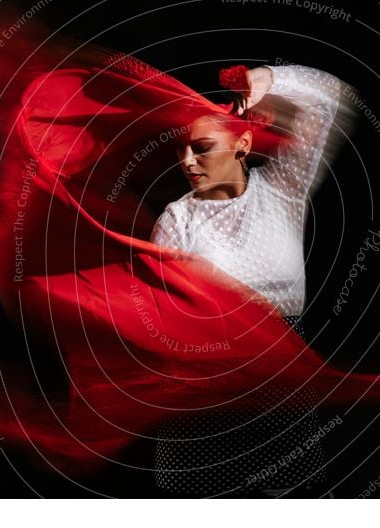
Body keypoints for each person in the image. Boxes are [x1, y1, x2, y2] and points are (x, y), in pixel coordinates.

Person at [150, 63, 353, 497]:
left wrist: (266, 79)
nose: (186, 161)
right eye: (182, 149)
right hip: (207, 397)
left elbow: (330, 99)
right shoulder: (177, 218)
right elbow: (167, 318)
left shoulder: (283, 188)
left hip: (282, 393)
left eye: (202, 148)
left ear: (242, 144)